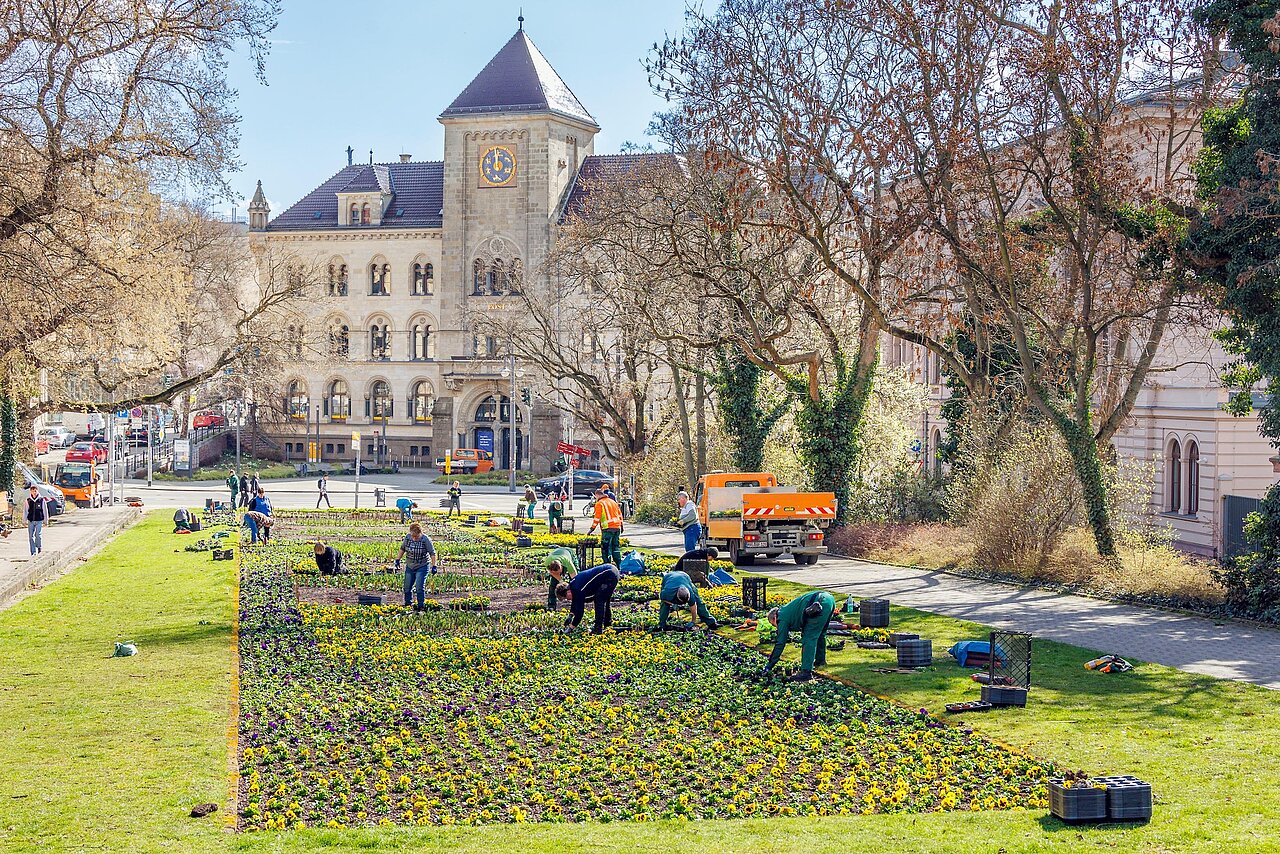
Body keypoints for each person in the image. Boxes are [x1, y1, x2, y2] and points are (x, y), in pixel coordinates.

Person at [764, 590, 837, 682]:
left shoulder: (781, 618)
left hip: (818, 604)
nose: (776, 627)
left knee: (809, 637)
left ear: (774, 618)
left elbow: (780, 643)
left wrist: (769, 665)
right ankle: (820, 661)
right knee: (820, 633)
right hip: (829, 599)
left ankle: (806, 672)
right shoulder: (787, 609)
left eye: (773, 625)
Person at [556, 562, 621, 634]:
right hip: (611, 570)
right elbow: (575, 601)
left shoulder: (577, 589)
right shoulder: (573, 585)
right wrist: (570, 615)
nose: (568, 600)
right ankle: (608, 626)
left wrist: (571, 627)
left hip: (609, 574)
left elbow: (580, 613)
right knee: (605, 600)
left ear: (568, 592)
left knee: (599, 600)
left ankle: (598, 629)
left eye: (566, 598)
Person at [396, 523, 438, 612]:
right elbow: (402, 549)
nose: (414, 538)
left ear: (420, 533)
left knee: (419, 586)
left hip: (422, 565)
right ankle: (408, 604)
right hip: (410, 565)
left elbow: (432, 553)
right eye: (413, 536)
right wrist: (397, 559)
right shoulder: (408, 538)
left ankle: (420, 606)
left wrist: (434, 566)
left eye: (416, 536)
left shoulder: (425, 540)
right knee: (407, 587)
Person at [587, 486, 624, 567]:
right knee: (615, 547)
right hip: (617, 527)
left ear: (597, 495)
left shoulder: (599, 504)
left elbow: (597, 518)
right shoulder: (613, 502)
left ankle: (607, 565)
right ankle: (618, 564)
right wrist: (621, 525)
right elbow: (620, 514)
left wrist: (592, 529)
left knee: (605, 548)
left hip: (607, 528)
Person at [20, 484, 53, 556]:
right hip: (31, 520)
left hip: (39, 520)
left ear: (37, 491)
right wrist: (24, 521)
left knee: (38, 535)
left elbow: (45, 510)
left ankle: (39, 547)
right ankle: (33, 552)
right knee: (31, 536)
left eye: (35, 491)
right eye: (32, 491)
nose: (34, 492)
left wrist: (45, 520)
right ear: (30, 492)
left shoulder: (41, 500)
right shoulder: (28, 500)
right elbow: (25, 511)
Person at [543, 546, 578, 610]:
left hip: (569, 553)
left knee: (576, 584)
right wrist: (561, 581)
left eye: (559, 572)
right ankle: (551, 606)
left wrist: (569, 587)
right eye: (556, 573)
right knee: (553, 584)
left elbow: (575, 578)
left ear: (561, 567)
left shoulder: (568, 562)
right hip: (557, 553)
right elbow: (552, 573)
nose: (558, 574)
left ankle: (577, 603)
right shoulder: (547, 562)